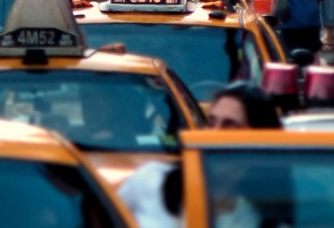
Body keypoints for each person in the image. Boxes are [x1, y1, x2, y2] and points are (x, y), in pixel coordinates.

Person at [118, 84, 281, 228]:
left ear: (258, 141)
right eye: (211, 123)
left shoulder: (255, 218)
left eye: (229, 125)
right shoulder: (151, 180)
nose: (213, 134)